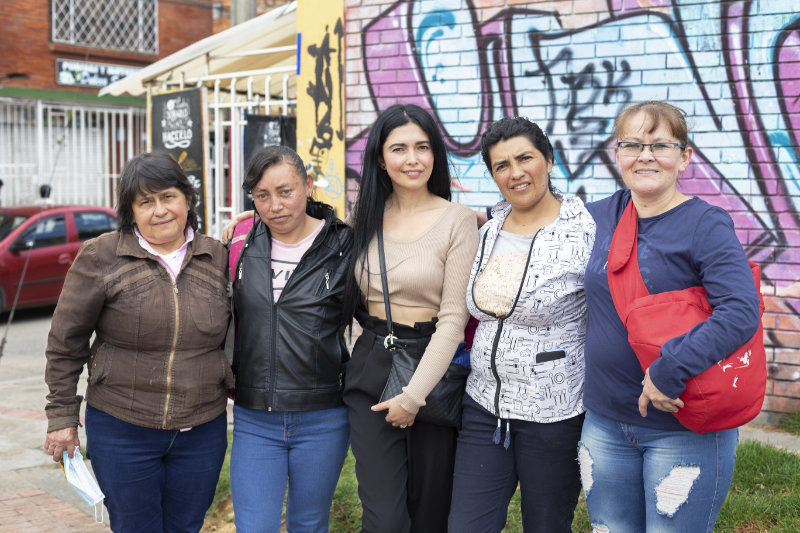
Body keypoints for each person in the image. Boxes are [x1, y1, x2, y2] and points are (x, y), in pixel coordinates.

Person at [578, 101, 762, 531]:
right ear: (616, 153)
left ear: (684, 156)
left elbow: (740, 312)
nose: (645, 155)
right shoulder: (596, 216)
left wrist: (669, 369)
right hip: (605, 422)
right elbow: (532, 216)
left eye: (660, 144)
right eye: (632, 144)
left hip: (682, 426)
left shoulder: (706, 224)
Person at [43, 152, 232, 532]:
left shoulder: (217, 256)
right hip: (122, 428)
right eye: (146, 202)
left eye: (168, 197)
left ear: (188, 200)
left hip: (202, 430)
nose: (160, 210)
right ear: (131, 211)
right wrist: (62, 417)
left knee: (186, 526)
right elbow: (66, 342)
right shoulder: (101, 256)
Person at [447, 117, 595, 532]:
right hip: (484, 406)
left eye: (525, 158)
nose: (515, 172)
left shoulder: (586, 232)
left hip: (554, 413)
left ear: (548, 160)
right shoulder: (489, 230)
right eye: (501, 165)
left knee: (546, 526)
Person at [342, 103, 478, 532]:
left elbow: (453, 321)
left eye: (422, 147)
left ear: (435, 154)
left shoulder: (457, 220)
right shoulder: (363, 218)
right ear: (381, 158)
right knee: (384, 517)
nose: (412, 159)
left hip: (433, 372)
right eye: (398, 149)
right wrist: (253, 221)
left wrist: (413, 396)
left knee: (430, 513)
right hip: (372, 364)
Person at [228, 146, 352, 532]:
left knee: (309, 524)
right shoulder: (240, 242)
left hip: (323, 416)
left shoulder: (345, 245)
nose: (275, 205)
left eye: (286, 191)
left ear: (308, 185)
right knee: (254, 526)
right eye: (261, 196)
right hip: (253, 417)